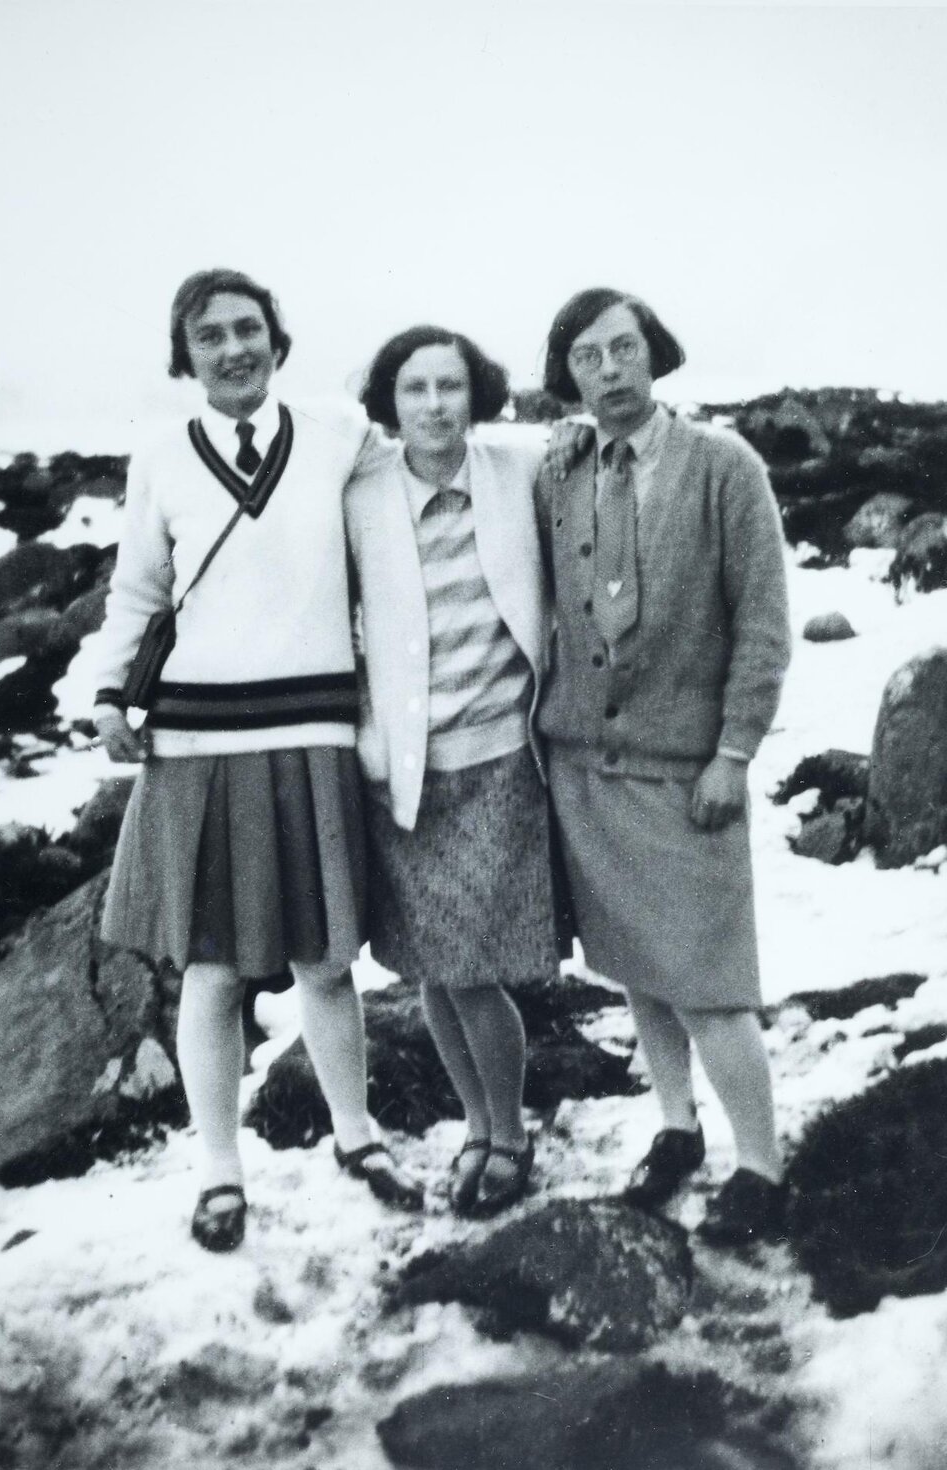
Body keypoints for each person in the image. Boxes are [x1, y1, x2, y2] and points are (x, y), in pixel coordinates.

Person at [92, 269, 422, 1253]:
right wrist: (110, 694)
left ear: (276, 341)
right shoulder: (160, 458)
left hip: (312, 733)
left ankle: (356, 1137)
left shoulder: (338, 439)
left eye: (247, 329)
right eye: (208, 337)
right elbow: (137, 595)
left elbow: (434, 468)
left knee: (326, 963)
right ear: (183, 356)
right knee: (215, 972)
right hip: (198, 744)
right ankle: (219, 1172)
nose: (231, 349)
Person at [536, 287, 792, 1244]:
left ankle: (762, 1169)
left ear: (657, 355)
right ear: (568, 378)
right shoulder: (558, 472)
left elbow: (764, 626)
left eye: (625, 348)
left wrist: (736, 752)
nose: (611, 369)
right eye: (589, 357)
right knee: (640, 967)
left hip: (690, 775)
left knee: (712, 983)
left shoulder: (725, 466)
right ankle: (677, 1131)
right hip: (585, 769)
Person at [344, 325, 565, 1215]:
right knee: (433, 968)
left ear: (476, 394)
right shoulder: (359, 494)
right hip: (406, 773)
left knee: (471, 965)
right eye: (414, 389)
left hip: (502, 760)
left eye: (449, 386)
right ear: (389, 405)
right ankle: (478, 1124)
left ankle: (509, 1132)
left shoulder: (521, 472)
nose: (434, 405)